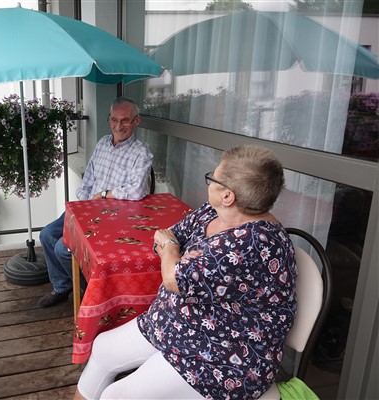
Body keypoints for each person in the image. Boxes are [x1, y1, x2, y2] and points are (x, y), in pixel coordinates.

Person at [74, 144, 297, 400]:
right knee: (102, 350)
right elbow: (165, 236)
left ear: (228, 196)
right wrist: (174, 255)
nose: (209, 181)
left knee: (116, 396)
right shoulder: (213, 212)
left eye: (213, 178)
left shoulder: (252, 244)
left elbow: (173, 278)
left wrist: (172, 252)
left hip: (223, 355)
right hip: (177, 322)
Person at [38, 97, 153, 308]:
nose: (119, 126)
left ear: (136, 121)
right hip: (87, 208)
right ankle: (63, 286)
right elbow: (89, 177)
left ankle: (86, 289)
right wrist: (83, 203)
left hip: (112, 218)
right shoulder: (102, 143)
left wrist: (105, 195)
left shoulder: (141, 153)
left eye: (125, 120)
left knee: (62, 249)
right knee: (47, 234)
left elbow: (137, 190)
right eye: (114, 119)